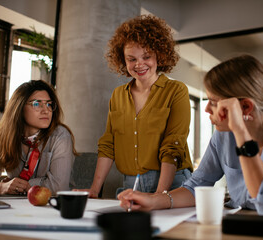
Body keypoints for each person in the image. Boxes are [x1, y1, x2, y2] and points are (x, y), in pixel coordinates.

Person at [118, 54, 263, 215]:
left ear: (245, 106)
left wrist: (240, 131)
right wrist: (153, 200)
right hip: (238, 221)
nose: (207, 110)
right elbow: (196, 186)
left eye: (214, 102)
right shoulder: (223, 135)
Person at [79, 15, 193, 198]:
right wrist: (94, 190)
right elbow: (108, 144)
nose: (139, 64)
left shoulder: (176, 91)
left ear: (159, 54)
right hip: (131, 183)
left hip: (172, 182)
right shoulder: (118, 95)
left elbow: (173, 145)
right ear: (123, 60)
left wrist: (159, 195)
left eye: (146, 56)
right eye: (131, 59)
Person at [0, 80, 77, 195]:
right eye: (37, 104)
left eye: (49, 104)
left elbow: (58, 187)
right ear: (19, 108)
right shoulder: (3, 136)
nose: (46, 110)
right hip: (15, 206)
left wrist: (19, 184)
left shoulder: (60, 136)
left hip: (53, 206)